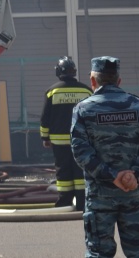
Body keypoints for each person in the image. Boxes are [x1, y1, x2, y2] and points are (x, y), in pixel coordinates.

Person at [71, 56, 139, 258]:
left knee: (99, 253)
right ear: (118, 80)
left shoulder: (83, 109)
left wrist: (112, 176)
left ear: (93, 81)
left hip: (100, 197)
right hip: (135, 195)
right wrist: (133, 175)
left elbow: (80, 150)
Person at [40, 56, 93, 209]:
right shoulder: (86, 91)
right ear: (74, 72)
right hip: (82, 140)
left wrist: (45, 137)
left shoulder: (52, 91)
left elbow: (45, 117)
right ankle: (82, 203)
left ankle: (64, 202)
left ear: (58, 71)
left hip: (59, 141)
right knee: (80, 170)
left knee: (63, 172)